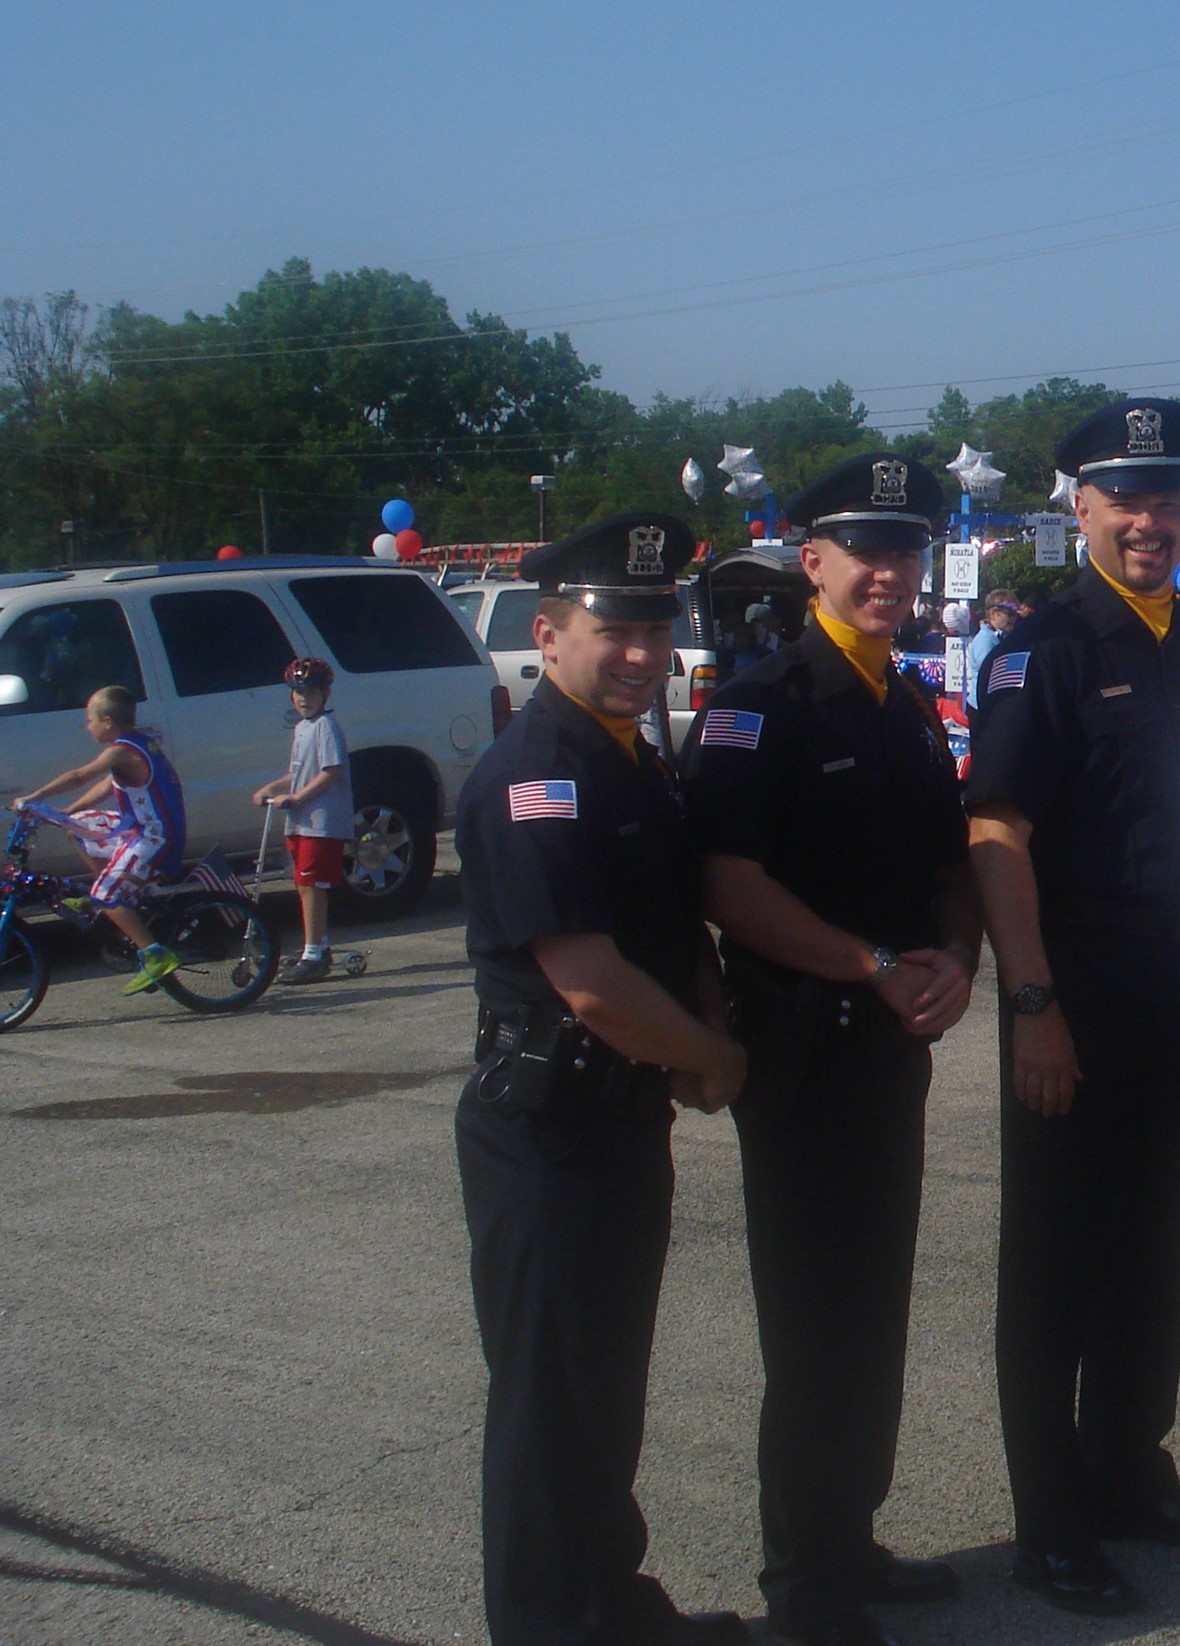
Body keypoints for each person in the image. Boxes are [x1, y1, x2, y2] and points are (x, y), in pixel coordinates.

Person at [683, 456, 979, 1646]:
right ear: (811, 562)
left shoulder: (903, 705)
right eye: (866, 551)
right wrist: (870, 965)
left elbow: (948, 864)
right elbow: (728, 886)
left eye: (905, 552)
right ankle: (806, 1588)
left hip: (885, 1051)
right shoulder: (762, 704)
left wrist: (956, 958)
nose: (889, 573)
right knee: (811, 1325)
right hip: (801, 1054)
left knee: (874, 1310)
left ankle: (850, 1541)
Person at [963, 397, 1180, 1616]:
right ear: (1078, 506)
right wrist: (1031, 1004)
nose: (1146, 517)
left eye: (1165, 492)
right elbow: (995, 832)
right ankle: (1053, 1521)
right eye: (1122, 495)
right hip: (1073, 986)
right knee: (1057, 1261)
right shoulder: (1042, 649)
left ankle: (1131, 1470)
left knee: (1153, 1250)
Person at [452, 510, 750, 1646]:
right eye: (611, 627)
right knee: (549, 1405)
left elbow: (671, 929)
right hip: (548, 1129)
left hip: (616, 1122)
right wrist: (712, 1054)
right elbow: (586, 982)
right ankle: (550, 1627)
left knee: (602, 1392)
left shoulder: (629, 760)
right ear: (548, 633)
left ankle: (610, 1606)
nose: (638, 650)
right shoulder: (538, 778)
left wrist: (704, 1011)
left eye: (652, 625)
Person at [13, 685, 188, 994]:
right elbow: (108, 787)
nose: (87, 726)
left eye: (90, 720)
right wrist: (67, 812)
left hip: (156, 839)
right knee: (78, 828)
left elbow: (81, 775)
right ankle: (107, 897)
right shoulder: (136, 744)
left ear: (107, 721)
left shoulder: (121, 751)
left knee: (106, 894)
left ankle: (155, 953)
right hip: (139, 829)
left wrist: (35, 796)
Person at [253, 658, 354, 983]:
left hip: (321, 822)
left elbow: (331, 771)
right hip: (300, 821)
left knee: (312, 886)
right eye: (298, 692)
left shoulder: (326, 727)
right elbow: (299, 773)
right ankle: (317, 947)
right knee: (302, 884)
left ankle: (313, 955)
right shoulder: (302, 728)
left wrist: (297, 798)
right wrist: (273, 788)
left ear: (325, 695)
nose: (303, 699)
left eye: (311, 692)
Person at [963, 588, 1022, 713]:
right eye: (1009, 614)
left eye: (1015, 614)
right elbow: (990, 675)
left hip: (993, 704)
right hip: (983, 706)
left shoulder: (1002, 637)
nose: (1014, 618)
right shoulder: (986, 639)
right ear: (994, 613)